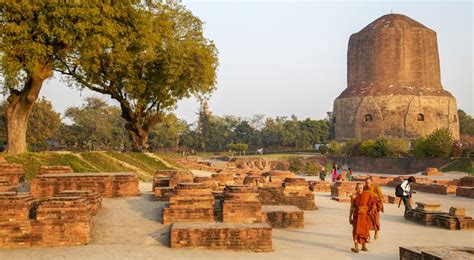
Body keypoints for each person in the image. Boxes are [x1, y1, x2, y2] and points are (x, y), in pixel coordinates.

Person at [349, 183, 375, 253]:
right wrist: (349, 217)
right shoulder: (353, 196)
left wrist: (369, 210)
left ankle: (364, 246)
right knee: (356, 231)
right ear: (356, 189)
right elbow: (352, 207)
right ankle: (356, 247)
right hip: (357, 215)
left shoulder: (366, 194)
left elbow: (372, 203)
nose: (360, 189)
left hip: (365, 215)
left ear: (363, 188)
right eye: (358, 188)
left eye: (361, 188)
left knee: (365, 230)